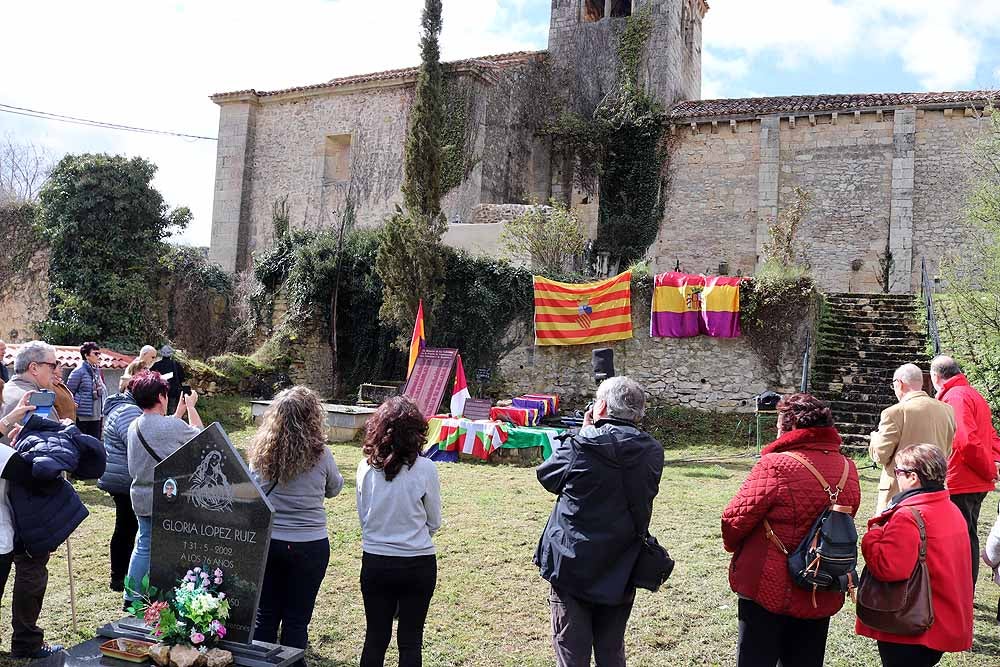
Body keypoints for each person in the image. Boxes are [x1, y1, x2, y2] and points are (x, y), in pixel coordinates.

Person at [722, 393, 861, 667]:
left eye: (778, 422)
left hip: (768, 581)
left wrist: (733, 545)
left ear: (789, 425)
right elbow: (847, 515)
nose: (775, 428)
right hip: (822, 577)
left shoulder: (776, 465)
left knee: (755, 657)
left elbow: (734, 519)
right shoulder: (848, 467)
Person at [535, 376, 664, 667]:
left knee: (572, 652)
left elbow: (547, 477)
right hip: (621, 561)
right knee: (611, 651)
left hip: (572, 562)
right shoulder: (653, 451)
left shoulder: (581, 444)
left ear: (601, 406)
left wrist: (584, 432)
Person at [248, 386, 344, 666]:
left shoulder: (261, 453)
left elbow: (254, 491)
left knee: (266, 614)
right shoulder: (322, 454)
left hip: (270, 542)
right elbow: (335, 488)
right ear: (313, 416)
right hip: (310, 545)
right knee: (297, 619)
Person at [856, 443, 973, 666]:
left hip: (911, 625)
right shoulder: (951, 509)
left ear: (912, 477)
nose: (895, 476)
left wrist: (873, 534)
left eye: (897, 471)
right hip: (940, 620)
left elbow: (887, 568)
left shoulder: (908, 516)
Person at [357, 396, 441, 667]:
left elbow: (364, 516)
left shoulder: (365, 468)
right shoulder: (426, 469)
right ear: (416, 432)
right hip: (417, 563)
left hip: (376, 561)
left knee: (375, 638)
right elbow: (434, 521)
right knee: (411, 640)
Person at [0, 342, 66, 659]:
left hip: (19, 499)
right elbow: (44, 452)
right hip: (24, 500)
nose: (58, 370)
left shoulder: (25, 393)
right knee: (31, 569)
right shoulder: (20, 399)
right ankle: (26, 642)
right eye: (52, 365)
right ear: (33, 367)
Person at [124, 370, 203, 602]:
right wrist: (191, 408)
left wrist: (177, 413)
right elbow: (202, 437)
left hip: (141, 495)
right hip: (167, 499)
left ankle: (133, 598)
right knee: (170, 549)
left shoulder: (134, 425)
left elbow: (162, 434)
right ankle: (169, 596)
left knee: (143, 545)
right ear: (161, 396)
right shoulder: (169, 428)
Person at [930, 355, 1000, 588]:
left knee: (960, 539)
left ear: (936, 377)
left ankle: (961, 591)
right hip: (973, 478)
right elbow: (989, 436)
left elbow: (966, 441)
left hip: (962, 479)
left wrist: (989, 468)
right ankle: (963, 590)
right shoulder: (972, 394)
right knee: (967, 535)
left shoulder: (956, 397)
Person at [869, 363, 955, 514]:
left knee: (894, 533)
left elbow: (881, 455)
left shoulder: (894, 412)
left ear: (899, 384)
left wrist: (874, 439)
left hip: (900, 490)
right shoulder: (947, 410)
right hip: (935, 489)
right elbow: (947, 450)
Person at [99, 380, 143, 592]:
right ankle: (119, 576)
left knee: (126, 527)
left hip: (118, 475)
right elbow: (136, 444)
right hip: (123, 478)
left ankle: (120, 575)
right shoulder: (129, 411)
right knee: (126, 528)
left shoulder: (122, 407)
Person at [66, 342, 107, 440]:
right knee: (83, 443)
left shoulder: (96, 371)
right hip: (83, 415)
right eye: (95, 354)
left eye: (99, 354)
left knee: (95, 443)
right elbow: (69, 392)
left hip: (96, 414)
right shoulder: (79, 371)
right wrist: (74, 404)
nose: (98, 356)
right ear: (86, 355)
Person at [150, 345, 186, 415]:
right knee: (171, 412)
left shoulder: (156, 365)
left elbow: (150, 377)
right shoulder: (176, 365)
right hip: (173, 392)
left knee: (158, 411)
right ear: (171, 354)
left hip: (159, 392)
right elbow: (182, 378)